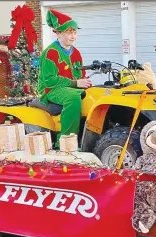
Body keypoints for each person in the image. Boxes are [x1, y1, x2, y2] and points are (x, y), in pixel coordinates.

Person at [38, 9, 91, 148]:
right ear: (58, 33)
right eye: (69, 32)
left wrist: (84, 82)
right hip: (51, 89)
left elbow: (80, 74)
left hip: (69, 87)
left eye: (74, 32)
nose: (73, 36)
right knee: (72, 98)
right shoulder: (51, 53)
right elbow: (49, 80)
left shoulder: (76, 53)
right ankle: (65, 141)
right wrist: (75, 83)